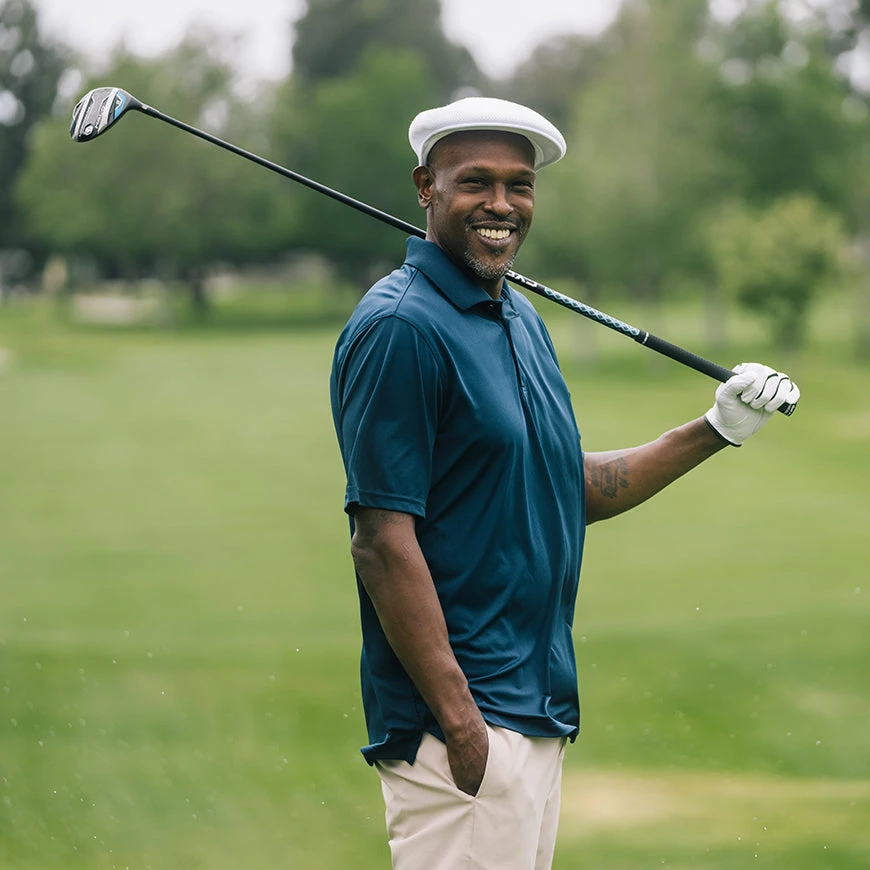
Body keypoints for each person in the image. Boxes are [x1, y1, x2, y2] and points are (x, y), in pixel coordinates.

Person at [329, 97, 799, 870]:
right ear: (425, 187)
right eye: (475, 182)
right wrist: (463, 723)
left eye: (519, 186)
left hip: (534, 709)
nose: (501, 204)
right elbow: (380, 540)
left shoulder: (518, 319)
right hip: (463, 727)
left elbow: (565, 487)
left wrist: (716, 428)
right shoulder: (400, 328)